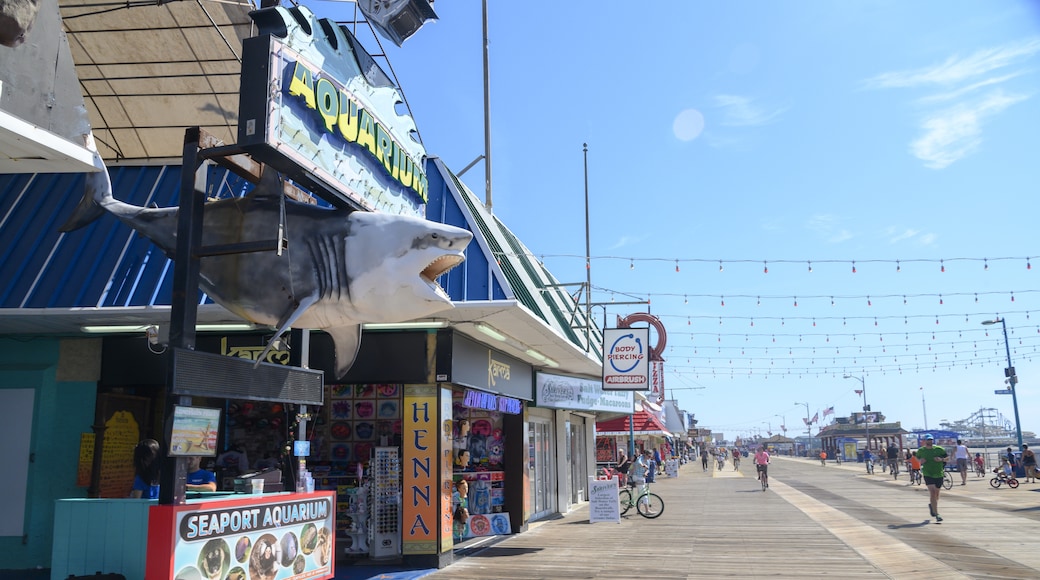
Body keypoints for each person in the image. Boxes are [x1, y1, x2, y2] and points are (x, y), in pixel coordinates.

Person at [917, 434, 948, 522]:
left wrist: (941, 459)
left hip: (939, 473)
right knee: (932, 492)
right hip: (928, 473)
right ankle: (937, 514)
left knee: (937, 494)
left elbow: (947, 458)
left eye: (931, 440)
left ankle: (932, 506)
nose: (929, 441)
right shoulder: (921, 450)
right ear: (925, 441)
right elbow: (917, 458)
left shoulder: (939, 449)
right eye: (928, 440)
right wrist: (920, 461)